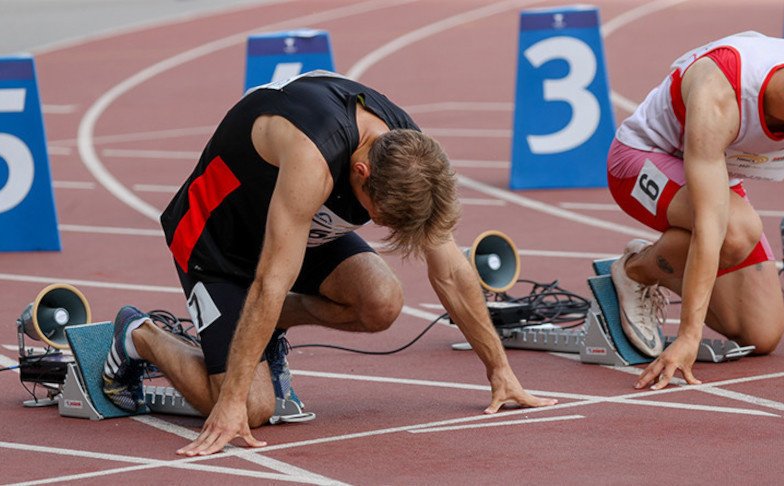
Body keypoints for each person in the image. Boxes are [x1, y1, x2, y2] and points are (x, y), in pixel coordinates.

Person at [101, 70, 556, 456]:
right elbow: (269, 281)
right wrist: (232, 401)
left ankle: (259, 330)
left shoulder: (409, 152)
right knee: (253, 409)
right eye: (377, 216)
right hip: (217, 245)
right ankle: (140, 336)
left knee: (382, 301)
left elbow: (452, 272)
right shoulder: (310, 157)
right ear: (362, 172)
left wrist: (500, 371)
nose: (374, 224)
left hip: (297, 231)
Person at [607, 32, 784, 391]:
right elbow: (710, 223)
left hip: (713, 171)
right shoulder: (719, 99)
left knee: (761, 335)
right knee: (735, 230)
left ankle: (668, 263)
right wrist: (688, 336)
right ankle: (637, 270)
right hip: (640, 161)